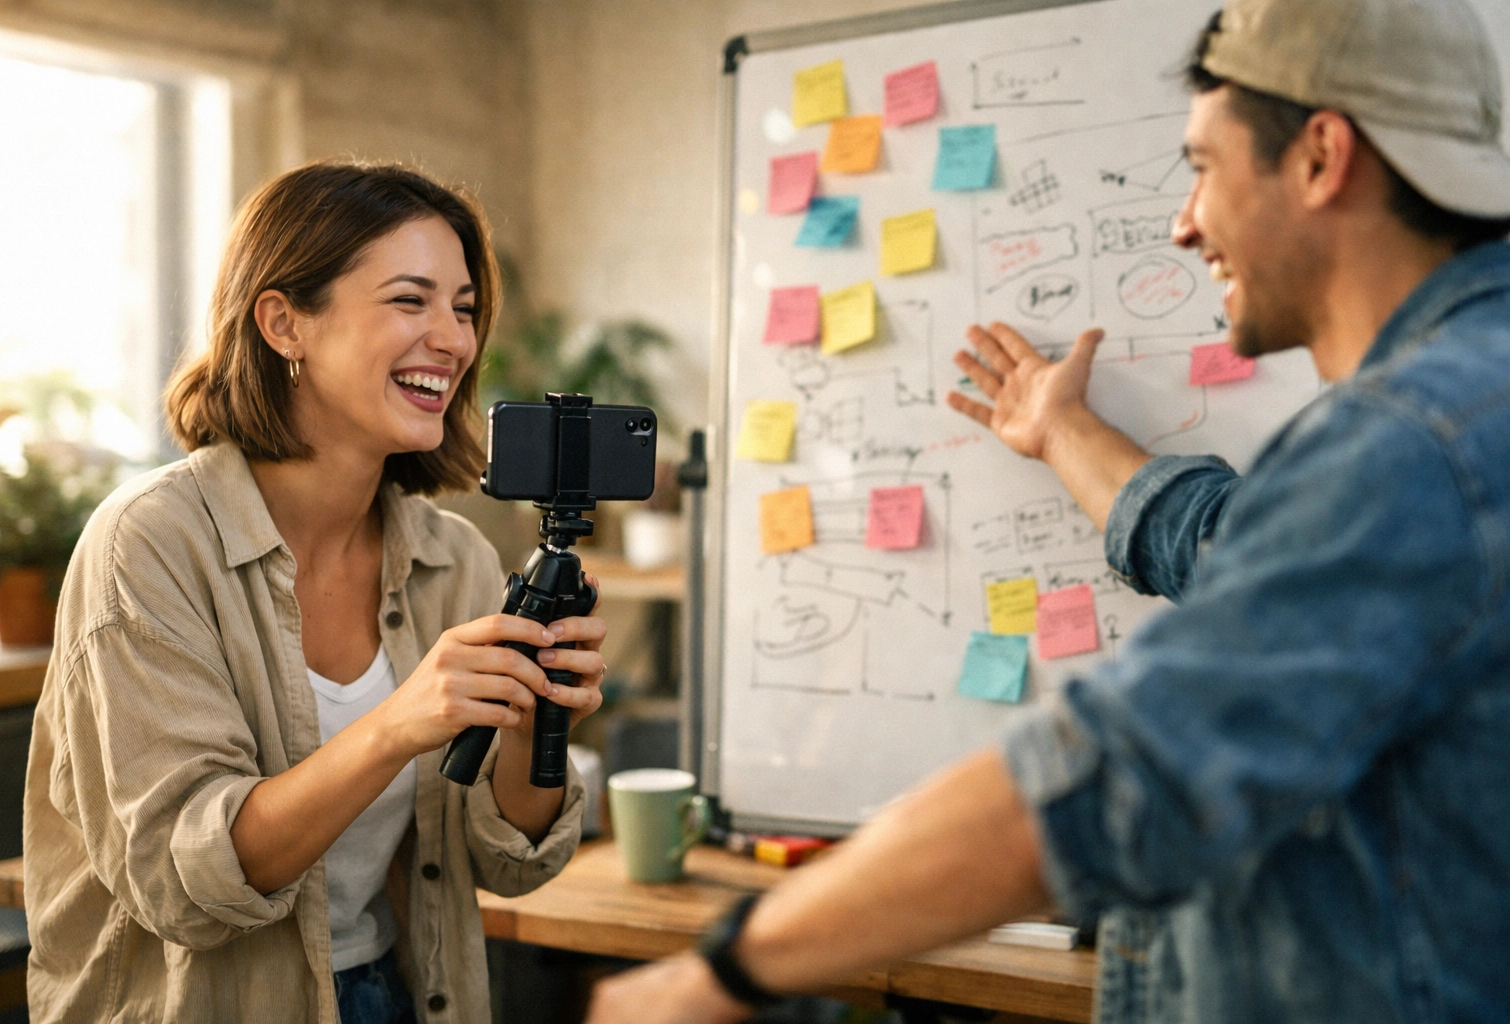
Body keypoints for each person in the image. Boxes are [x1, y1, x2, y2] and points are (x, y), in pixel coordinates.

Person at [584, 0, 1510, 1021]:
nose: (1183, 222)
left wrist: (718, 973)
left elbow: (1109, 780)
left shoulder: (1414, 447)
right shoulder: (1464, 417)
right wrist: (1065, 430)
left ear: (1322, 157)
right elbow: (1231, 547)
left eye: (1203, 166)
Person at [22, 161, 607, 1024]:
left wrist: (533, 720)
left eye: (464, 309)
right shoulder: (149, 545)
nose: (453, 340)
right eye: (409, 301)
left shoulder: (455, 559)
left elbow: (509, 862)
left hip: (397, 993)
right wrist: (398, 723)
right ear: (284, 323)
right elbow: (184, 883)